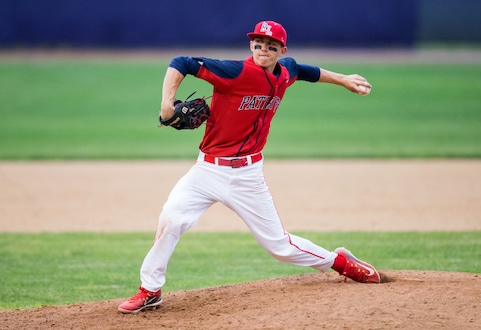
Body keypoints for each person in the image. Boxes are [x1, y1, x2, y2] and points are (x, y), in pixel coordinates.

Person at [118, 20, 380, 314]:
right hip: (207, 171)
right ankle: (150, 290)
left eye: (271, 46)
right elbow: (182, 62)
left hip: (247, 176)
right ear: (250, 46)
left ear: (282, 50)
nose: (263, 50)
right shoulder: (236, 71)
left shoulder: (285, 71)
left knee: (280, 247)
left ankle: (341, 262)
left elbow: (306, 71)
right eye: (257, 44)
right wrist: (167, 104)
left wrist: (343, 79)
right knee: (171, 218)